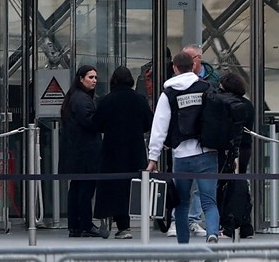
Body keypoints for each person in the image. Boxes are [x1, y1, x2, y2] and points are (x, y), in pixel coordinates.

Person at [147, 51, 220, 244]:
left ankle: (183, 245)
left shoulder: (168, 94)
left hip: (181, 155)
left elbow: (159, 127)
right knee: (209, 202)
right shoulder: (207, 88)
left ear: (174, 68)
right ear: (194, 66)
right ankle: (212, 233)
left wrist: (153, 156)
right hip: (207, 153)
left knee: (181, 203)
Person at [94, 66, 154, 239]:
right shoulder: (140, 99)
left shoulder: (106, 100)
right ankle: (134, 222)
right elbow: (149, 123)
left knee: (115, 186)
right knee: (133, 185)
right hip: (135, 148)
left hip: (112, 149)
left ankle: (122, 225)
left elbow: (97, 124)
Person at [61, 65, 106, 238]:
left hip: (78, 151)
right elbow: (90, 122)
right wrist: (102, 119)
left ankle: (75, 225)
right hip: (85, 152)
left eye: (95, 77)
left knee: (77, 188)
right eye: (90, 77)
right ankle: (85, 224)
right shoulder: (81, 99)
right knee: (85, 189)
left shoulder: (75, 97)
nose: (94, 81)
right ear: (81, 79)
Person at [217, 70, 255, 239]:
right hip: (245, 148)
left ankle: (229, 224)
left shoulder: (227, 104)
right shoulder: (247, 104)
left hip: (231, 150)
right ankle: (244, 223)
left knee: (227, 187)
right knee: (240, 185)